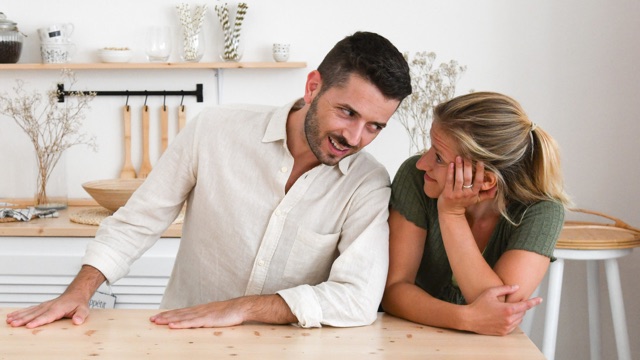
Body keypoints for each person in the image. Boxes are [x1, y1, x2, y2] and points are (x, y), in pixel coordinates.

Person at [7, 31, 412, 329]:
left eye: (375, 126)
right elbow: (138, 220)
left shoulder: (368, 183)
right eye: (347, 113)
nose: (355, 138)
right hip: (184, 340)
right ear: (313, 87)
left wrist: (244, 307)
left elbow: (358, 297)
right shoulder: (215, 130)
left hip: (292, 348)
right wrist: (79, 290)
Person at [381, 91, 571, 336]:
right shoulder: (417, 179)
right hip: (406, 336)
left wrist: (451, 215)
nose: (422, 163)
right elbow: (394, 291)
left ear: (487, 181)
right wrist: (466, 318)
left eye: (438, 157)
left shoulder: (542, 213)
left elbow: (501, 309)